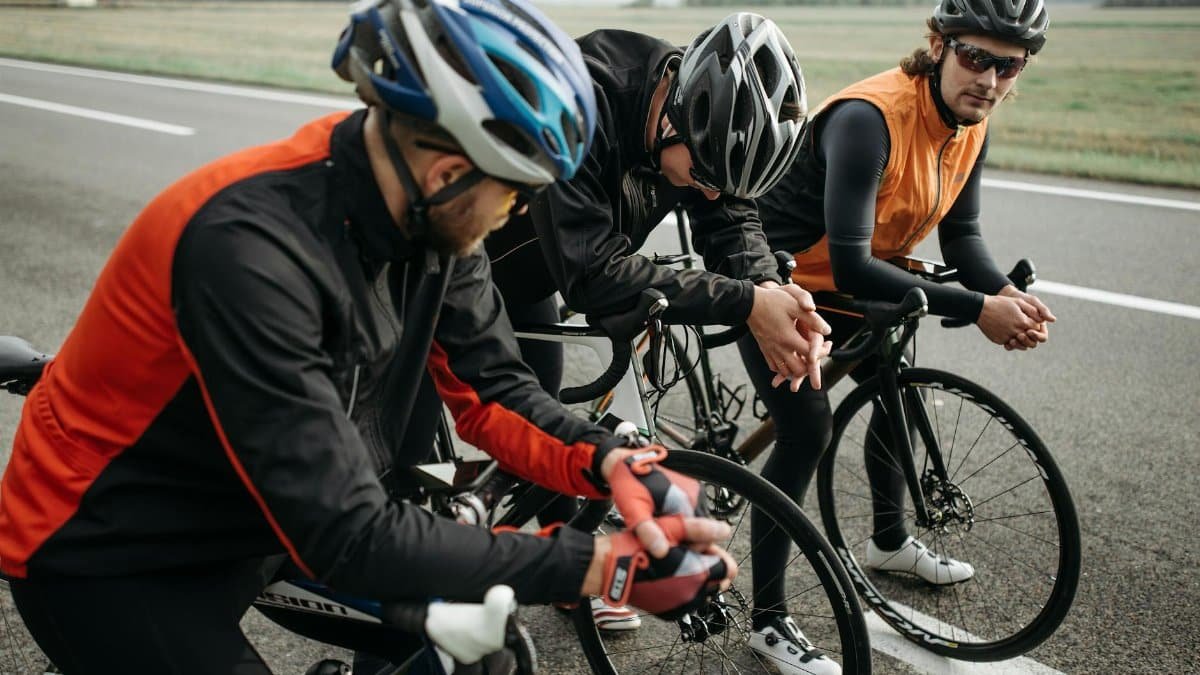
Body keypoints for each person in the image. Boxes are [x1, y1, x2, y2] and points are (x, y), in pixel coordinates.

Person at [0, 0, 738, 672]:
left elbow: (495, 392)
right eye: (514, 192)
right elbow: (348, 535)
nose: (515, 216)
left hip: (266, 513)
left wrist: (615, 464)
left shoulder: (431, 217)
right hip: (114, 549)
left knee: (482, 653)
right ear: (449, 170)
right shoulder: (249, 250)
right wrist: (594, 565)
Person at [482, 12, 839, 672]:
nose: (705, 190)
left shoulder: (706, 131)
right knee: (451, 448)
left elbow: (730, 215)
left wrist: (772, 294)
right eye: (701, 173)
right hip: (467, 259)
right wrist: (746, 301)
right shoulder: (585, 99)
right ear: (675, 114)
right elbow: (592, 274)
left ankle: (565, 572)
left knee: (547, 402)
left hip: (533, 272)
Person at [745, 0, 1057, 633]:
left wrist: (1004, 294)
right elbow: (854, 266)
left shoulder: (971, 120)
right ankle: (768, 618)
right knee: (805, 429)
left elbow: (962, 233)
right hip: (782, 278)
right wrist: (978, 310)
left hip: (854, 277)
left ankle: (888, 542)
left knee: (897, 396)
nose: (990, 82)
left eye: (1010, 68)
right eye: (975, 59)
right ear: (938, 44)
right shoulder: (870, 118)